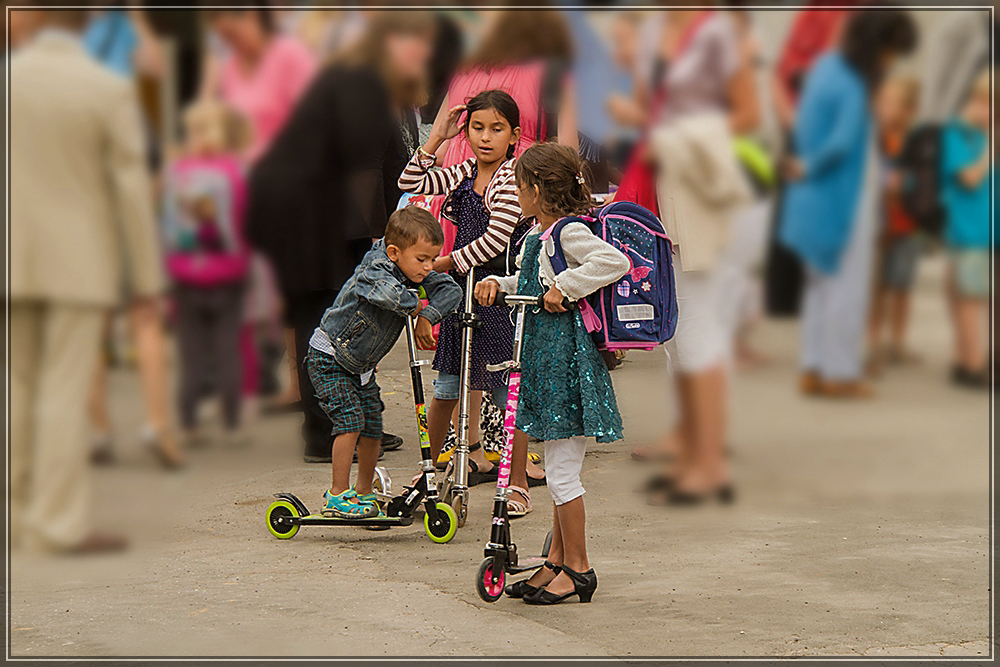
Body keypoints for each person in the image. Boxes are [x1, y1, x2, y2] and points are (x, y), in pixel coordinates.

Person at [246, 11, 436, 463]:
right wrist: (397, 227)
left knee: (326, 321)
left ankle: (345, 427)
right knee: (329, 324)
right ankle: (330, 431)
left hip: (311, 221)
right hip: (321, 225)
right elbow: (387, 166)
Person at [10, 9, 164, 553]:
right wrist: (146, 276)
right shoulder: (104, 89)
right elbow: (129, 186)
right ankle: (54, 522)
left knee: (17, 383)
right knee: (62, 387)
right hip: (76, 259)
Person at [425, 7, 576, 482]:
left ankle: (517, 449)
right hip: (460, 197)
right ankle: (468, 447)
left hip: (522, 199)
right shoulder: (467, 65)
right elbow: (438, 131)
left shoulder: (551, 66)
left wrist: (556, 213)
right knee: (463, 321)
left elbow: (566, 150)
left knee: (512, 331)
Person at [475, 143, 628, 604]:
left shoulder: (568, 233)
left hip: (566, 364)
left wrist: (566, 286)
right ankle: (556, 562)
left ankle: (579, 569)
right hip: (544, 363)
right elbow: (528, 282)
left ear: (537, 190)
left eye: (520, 187)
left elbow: (612, 263)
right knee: (561, 469)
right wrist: (496, 284)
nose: (516, 194)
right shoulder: (535, 238)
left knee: (562, 474)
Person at [629, 8, 758, 505]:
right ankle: (686, 435)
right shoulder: (659, 32)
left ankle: (708, 459)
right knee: (676, 326)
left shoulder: (719, 33)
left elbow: (747, 115)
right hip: (665, 195)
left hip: (704, 200)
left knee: (700, 327)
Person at [399, 90, 540, 514]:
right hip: (466, 298)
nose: (485, 138)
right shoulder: (463, 172)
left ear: (514, 136)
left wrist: (442, 263)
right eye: (477, 128)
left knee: (505, 393)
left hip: (498, 296)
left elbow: (495, 239)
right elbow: (410, 184)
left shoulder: (511, 179)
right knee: (446, 388)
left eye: (496, 129)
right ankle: (427, 473)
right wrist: (436, 138)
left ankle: (516, 483)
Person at [779, 9, 917, 399]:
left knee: (819, 289)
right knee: (846, 289)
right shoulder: (854, 84)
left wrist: (803, 167)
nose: (892, 61)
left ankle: (814, 367)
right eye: (892, 51)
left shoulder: (823, 70)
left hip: (812, 199)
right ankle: (840, 373)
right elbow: (840, 145)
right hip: (844, 196)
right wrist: (811, 166)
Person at [309, 208, 461, 518]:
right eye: (422, 260)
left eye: (433, 259)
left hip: (361, 364)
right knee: (350, 422)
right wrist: (418, 306)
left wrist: (428, 316)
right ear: (394, 252)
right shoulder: (374, 270)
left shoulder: (407, 265)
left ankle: (363, 492)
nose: (429, 267)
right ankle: (337, 494)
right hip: (331, 357)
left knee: (374, 428)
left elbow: (451, 291)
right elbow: (391, 297)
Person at [204, 5, 319, 415]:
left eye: (229, 24)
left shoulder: (292, 58)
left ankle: (312, 387)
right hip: (246, 192)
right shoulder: (232, 66)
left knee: (295, 293)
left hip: (292, 196)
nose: (224, 35)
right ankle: (287, 381)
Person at [163, 100, 253, 446]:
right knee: (224, 346)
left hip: (190, 275)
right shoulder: (236, 172)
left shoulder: (179, 172)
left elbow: (169, 229)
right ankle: (227, 420)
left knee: (195, 350)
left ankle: (194, 420)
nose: (198, 137)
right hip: (224, 274)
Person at [866, 77, 923, 376]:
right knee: (877, 287)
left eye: (892, 103)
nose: (884, 108)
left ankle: (898, 341)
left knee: (903, 286)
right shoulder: (876, 141)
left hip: (909, 226)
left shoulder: (915, 144)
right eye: (882, 101)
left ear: (911, 110)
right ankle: (873, 338)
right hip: (880, 225)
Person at [941, 71, 992, 389]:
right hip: (970, 231)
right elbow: (969, 178)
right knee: (971, 300)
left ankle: (963, 361)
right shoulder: (958, 134)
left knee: (966, 298)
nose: (985, 109)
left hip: (983, 231)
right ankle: (972, 365)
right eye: (980, 101)